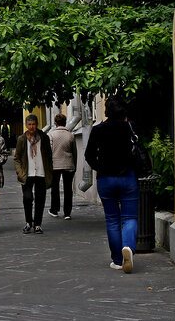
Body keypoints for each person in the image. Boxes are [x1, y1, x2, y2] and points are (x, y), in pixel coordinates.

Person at [83, 95, 139, 273]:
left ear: (107, 110)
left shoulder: (98, 129)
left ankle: (117, 260)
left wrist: (100, 167)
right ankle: (128, 248)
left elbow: (89, 155)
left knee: (112, 219)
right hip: (127, 177)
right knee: (129, 218)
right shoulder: (130, 127)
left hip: (106, 179)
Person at [13, 114, 53, 234]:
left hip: (41, 172)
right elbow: (17, 157)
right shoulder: (22, 139)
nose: (31, 127)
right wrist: (20, 172)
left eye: (34, 124)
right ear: (26, 125)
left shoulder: (43, 138)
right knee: (27, 198)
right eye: (29, 124)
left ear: (37, 125)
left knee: (40, 199)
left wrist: (49, 171)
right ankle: (28, 222)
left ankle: (38, 224)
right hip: (27, 173)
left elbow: (49, 155)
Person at [47, 114, 77, 220]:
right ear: (65, 122)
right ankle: (67, 212)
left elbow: (49, 152)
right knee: (68, 189)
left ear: (55, 123)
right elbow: (74, 152)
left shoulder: (51, 135)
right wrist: (75, 165)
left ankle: (54, 210)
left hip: (55, 165)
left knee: (55, 188)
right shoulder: (71, 135)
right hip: (69, 164)